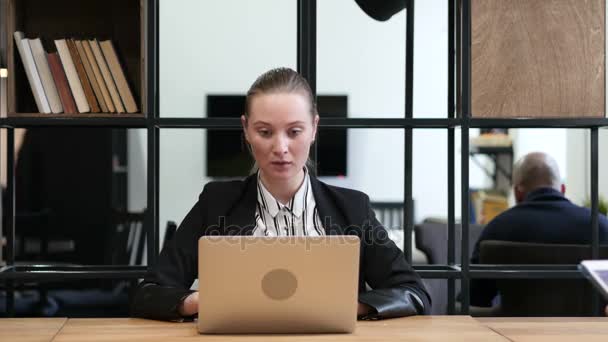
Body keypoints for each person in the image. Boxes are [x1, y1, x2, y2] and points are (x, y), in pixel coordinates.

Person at [131, 67, 431, 321]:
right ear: (246, 130)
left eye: (294, 131)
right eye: (265, 132)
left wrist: (347, 308)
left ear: (314, 128)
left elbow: (413, 292)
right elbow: (149, 293)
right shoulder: (216, 203)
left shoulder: (352, 208)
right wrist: (202, 302)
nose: (281, 148)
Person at [469, 152, 608, 307]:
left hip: (516, 330)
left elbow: (472, 299)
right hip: (591, 330)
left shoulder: (497, 229)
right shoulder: (601, 226)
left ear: (517, 192)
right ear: (562, 189)